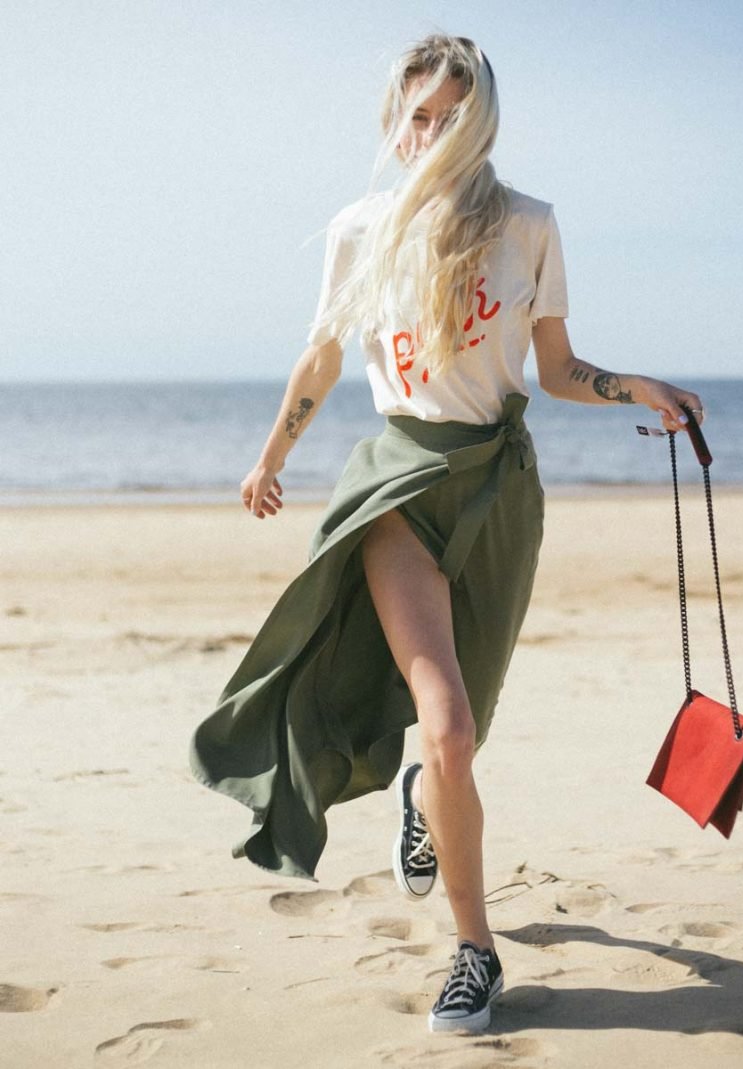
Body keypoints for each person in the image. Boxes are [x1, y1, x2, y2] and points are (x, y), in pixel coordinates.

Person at [189, 34, 704, 1035]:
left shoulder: (529, 225)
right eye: (416, 116)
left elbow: (555, 371)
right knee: (451, 723)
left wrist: (633, 387)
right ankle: (476, 951)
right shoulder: (361, 229)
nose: (431, 134)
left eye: (452, 117)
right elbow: (322, 356)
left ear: (483, 124)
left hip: (498, 490)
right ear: (395, 124)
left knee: (461, 740)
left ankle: (424, 797)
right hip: (399, 487)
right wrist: (271, 455)